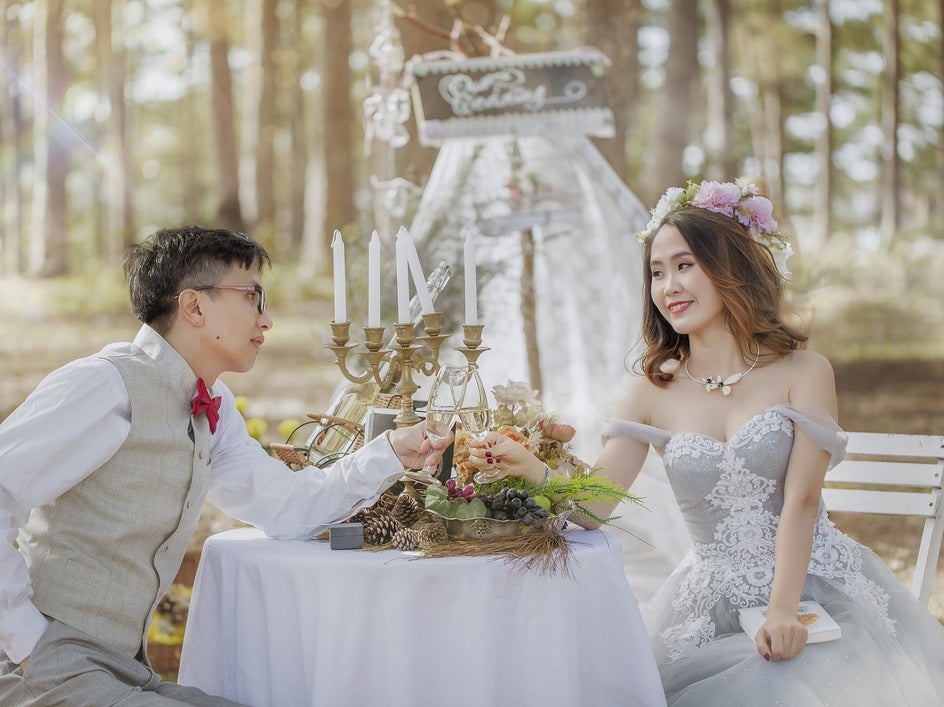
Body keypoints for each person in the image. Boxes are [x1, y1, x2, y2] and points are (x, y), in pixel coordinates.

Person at [468, 180, 944, 705]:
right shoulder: (650, 391)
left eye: (685, 265)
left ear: (730, 268)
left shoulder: (804, 371)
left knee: (793, 682)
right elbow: (597, 505)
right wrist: (530, 466)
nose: (667, 285)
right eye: (656, 272)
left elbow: (801, 502)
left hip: (812, 585)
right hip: (708, 603)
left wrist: (783, 612)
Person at [0, 226, 450, 706]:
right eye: (253, 297)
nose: (267, 319)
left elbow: (289, 507)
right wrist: (27, 641)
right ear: (194, 307)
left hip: (125, 670)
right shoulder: (103, 386)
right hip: (42, 670)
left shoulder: (211, 403)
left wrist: (389, 453)